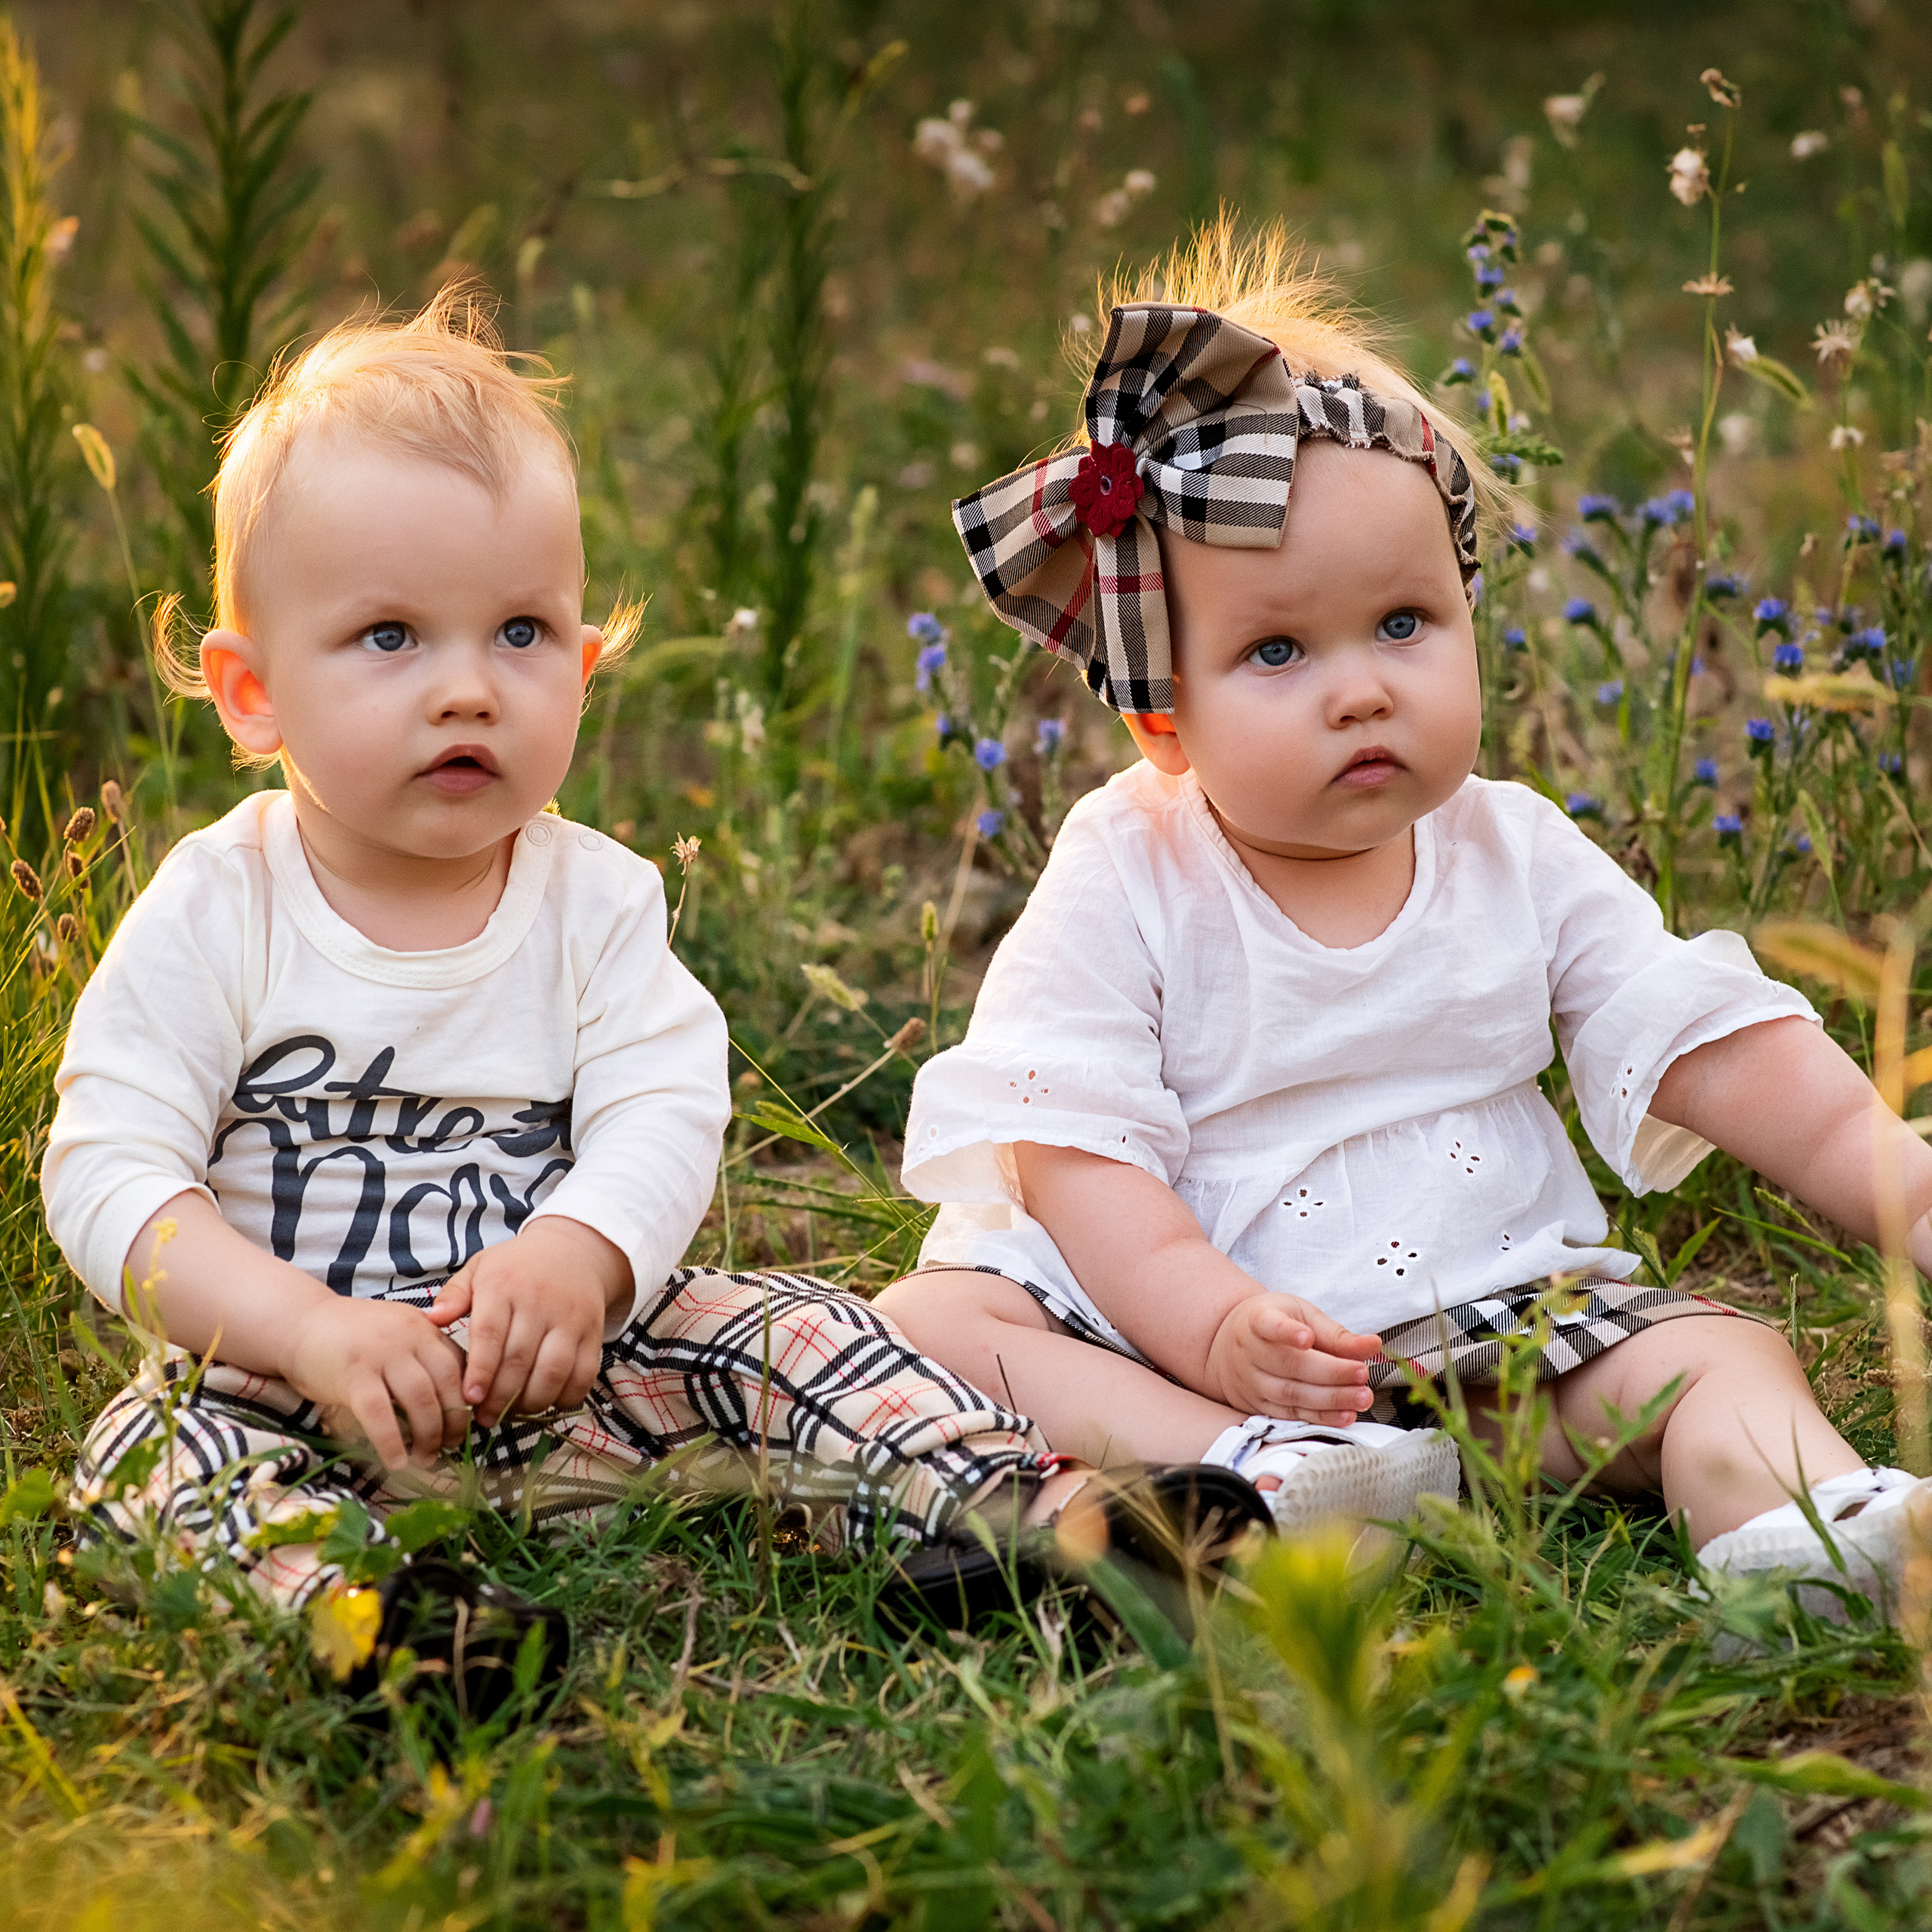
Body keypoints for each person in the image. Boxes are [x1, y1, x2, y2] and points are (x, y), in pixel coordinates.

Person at [42, 291, 1263, 1694]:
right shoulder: (221, 907)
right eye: (389, 637)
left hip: (573, 1374)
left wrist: (582, 1253)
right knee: (150, 1457)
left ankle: (1020, 1515)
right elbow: (112, 1173)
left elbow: (665, 1108)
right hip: (289, 1387)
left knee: (791, 1327)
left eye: (519, 633)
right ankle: (379, 1620)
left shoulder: (595, 900)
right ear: (252, 692)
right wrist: (305, 1329)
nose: (468, 691)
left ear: (582, 661)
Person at [875, 226, 1932, 1623]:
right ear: (1161, 719)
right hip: (1187, 1340)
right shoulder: (1127, 869)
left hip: (1493, 1335)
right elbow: (1073, 1150)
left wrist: (1901, 1182)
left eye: (1404, 623)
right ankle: (1253, 1476)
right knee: (940, 1322)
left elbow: (1706, 1043)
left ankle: (1807, 1528)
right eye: (1277, 650)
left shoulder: (1512, 850)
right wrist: (1211, 1326)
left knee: (1719, 1355)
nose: (1362, 689)